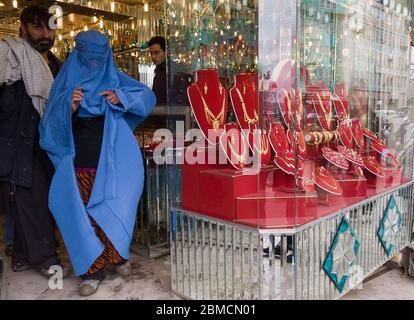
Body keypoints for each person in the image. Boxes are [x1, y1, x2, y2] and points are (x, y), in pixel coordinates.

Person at [39, 30, 156, 297]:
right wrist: (66, 108)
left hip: (112, 165)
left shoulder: (115, 80)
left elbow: (146, 98)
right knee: (84, 217)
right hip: (79, 165)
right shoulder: (65, 84)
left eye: (99, 58)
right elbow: (47, 129)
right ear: (78, 55)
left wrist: (121, 98)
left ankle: (116, 257)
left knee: (115, 208)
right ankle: (92, 270)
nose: (94, 65)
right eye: (89, 58)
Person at [0, 5, 67, 276]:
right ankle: (45, 258)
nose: (45, 33)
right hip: (18, 145)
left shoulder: (56, 65)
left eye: (49, 27)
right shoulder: (10, 57)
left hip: (46, 146)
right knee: (28, 201)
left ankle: (22, 256)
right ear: (23, 28)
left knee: (41, 201)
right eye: (38, 27)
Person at [148, 36, 167, 105]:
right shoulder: (159, 70)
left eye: (156, 53)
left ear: (166, 52)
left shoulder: (168, 70)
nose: (153, 57)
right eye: (151, 53)